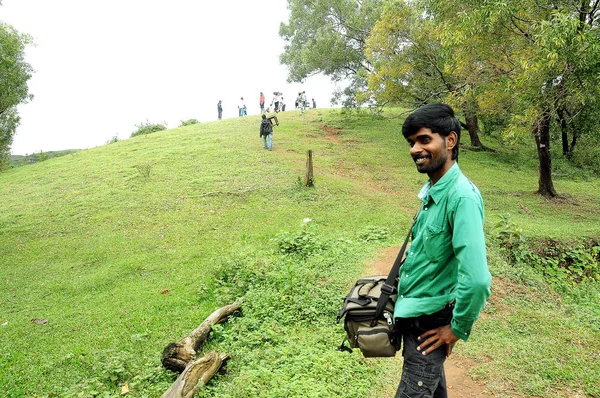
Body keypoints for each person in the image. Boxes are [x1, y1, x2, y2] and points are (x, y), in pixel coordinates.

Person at [393, 103, 491, 398]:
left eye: (424, 140)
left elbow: (477, 280)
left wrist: (457, 328)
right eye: (412, 143)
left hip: (430, 327)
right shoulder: (434, 190)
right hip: (415, 317)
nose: (414, 149)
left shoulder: (461, 197)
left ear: (450, 141)